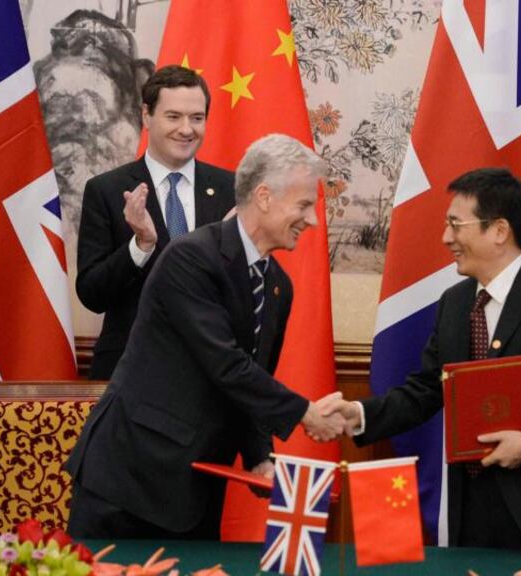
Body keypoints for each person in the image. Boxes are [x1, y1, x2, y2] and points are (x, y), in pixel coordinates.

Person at [328, 168, 521, 553]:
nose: (446, 238)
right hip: (472, 509)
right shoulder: (454, 303)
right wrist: (361, 414)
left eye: (456, 224)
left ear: (499, 230)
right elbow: (427, 388)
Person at [65, 134, 345, 539]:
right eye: (304, 205)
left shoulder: (278, 285)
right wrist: (305, 413)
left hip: (194, 486)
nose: (313, 220)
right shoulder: (191, 258)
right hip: (129, 480)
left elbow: (250, 375)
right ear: (264, 197)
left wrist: (260, 457)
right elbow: (225, 363)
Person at [76, 64, 236, 380]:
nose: (186, 129)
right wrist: (140, 245)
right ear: (147, 116)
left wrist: (236, 253)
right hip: (131, 374)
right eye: (173, 116)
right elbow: (92, 294)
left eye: (197, 118)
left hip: (210, 376)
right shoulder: (106, 190)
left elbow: (245, 296)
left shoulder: (231, 190)